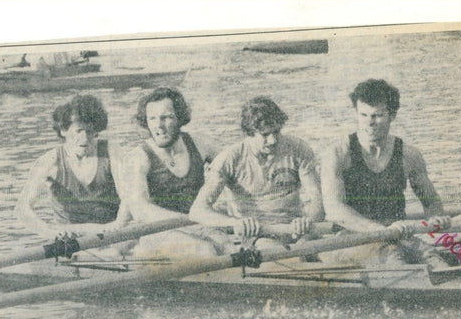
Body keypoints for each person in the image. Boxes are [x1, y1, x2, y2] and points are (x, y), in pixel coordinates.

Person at [320, 79, 448, 263]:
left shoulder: (409, 155)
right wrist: (382, 231)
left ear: (392, 115)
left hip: (396, 235)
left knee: (432, 256)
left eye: (377, 116)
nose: (369, 123)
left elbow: (431, 202)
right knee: (393, 257)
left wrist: (436, 217)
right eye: (363, 115)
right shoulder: (337, 153)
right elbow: (335, 211)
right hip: (350, 239)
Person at [189, 96, 324, 249]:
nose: (273, 140)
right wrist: (234, 222)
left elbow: (317, 199)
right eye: (265, 135)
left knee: (328, 256)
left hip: (298, 229)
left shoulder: (298, 148)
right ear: (249, 133)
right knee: (287, 258)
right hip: (258, 235)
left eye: (277, 132)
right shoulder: (229, 158)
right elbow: (197, 211)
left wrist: (309, 219)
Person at [16, 94, 130, 242]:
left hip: (110, 234)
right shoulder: (50, 161)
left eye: (90, 131)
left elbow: (129, 197)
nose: (85, 138)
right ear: (64, 130)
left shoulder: (112, 151)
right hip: (69, 238)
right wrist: (48, 232)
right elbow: (22, 208)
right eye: (79, 131)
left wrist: (118, 224)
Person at [127, 87, 221, 257]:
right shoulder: (140, 156)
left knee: (230, 247)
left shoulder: (200, 144)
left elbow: (237, 165)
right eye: (152, 118)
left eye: (166, 118)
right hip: (157, 232)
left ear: (180, 118)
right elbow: (140, 208)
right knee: (205, 251)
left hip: (198, 224)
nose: (158, 126)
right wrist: (191, 219)